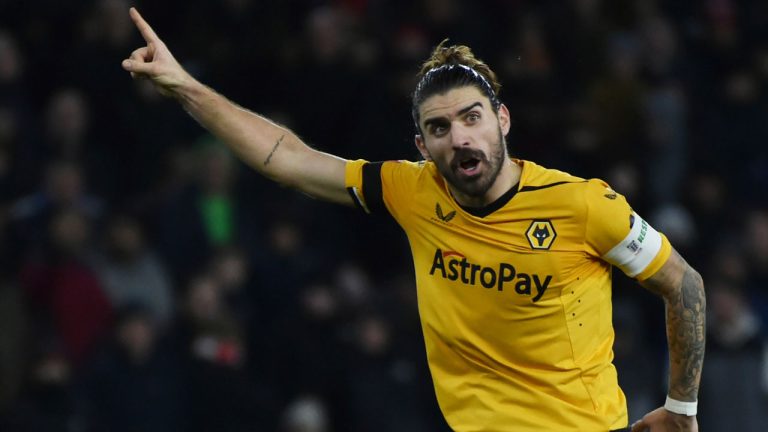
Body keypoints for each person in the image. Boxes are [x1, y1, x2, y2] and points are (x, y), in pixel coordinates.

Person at [121, 7, 705, 432]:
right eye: (440, 128)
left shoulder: (581, 206)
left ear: (502, 120)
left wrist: (681, 409)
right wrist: (185, 87)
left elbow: (683, 283)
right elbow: (287, 159)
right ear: (423, 146)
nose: (460, 137)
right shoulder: (411, 190)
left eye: (472, 117)